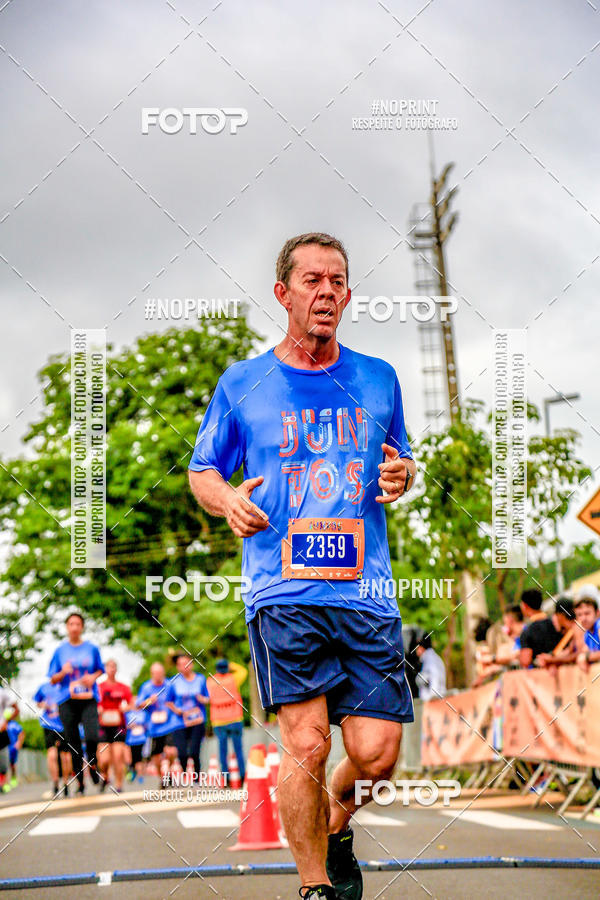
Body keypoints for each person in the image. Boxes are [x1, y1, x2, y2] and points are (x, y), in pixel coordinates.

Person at [188, 232, 417, 900]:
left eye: (337, 281)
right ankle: (315, 888)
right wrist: (228, 500)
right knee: (307, 742)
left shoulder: (379, 378)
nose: (326, 292)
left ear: (347, 294)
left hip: (367, 594)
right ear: (283, 293)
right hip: (282, 591)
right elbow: (203, 470)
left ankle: (336, 826)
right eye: (312, 280)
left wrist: (403, 474)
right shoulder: (243, 383)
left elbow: (400, 458)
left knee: (376, 754)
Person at [47, 612, 104, 795]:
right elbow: (52, 679)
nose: (74, 627)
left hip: (88, 699)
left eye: (77, 624)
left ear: (82, 627)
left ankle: (93, 763)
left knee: (92, 736)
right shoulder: (60, 651)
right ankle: (80, 782)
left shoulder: (92, 648)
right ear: (67, 627)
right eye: (71, 624)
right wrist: (63, 672)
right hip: (67, 700)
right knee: (73, 743)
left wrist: (92, 677)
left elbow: (100, 670)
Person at [136, 662, 178, 789]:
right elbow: (138, 705)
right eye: (156, 673)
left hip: (169, 724)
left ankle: (169, 770)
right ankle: (162, 778)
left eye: (161, 673)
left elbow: (177, 701)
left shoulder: (169, 685)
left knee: (171, 752)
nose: (159, 676)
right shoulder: (146, 687)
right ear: (152, 674)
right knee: (157, 757)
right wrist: (149, 701)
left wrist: (173, 708)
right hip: (154, 728)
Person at [207, 658, 247, 786]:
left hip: (219, 721)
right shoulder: (233, 678)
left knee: (222, 752)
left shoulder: (210, 681)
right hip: (235, 719)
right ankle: (242, 777)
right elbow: (243, 671)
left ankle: (226, 779)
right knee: (238, 750)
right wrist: (231, 665)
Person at [169, 653, 210, 776]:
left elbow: (208, 698)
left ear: (191, 664)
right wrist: (176, 710)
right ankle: (185, 774)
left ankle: (196, 776)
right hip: (179, 721)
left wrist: (202, 699)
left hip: (197, 720)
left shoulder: (200, 679)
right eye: (180, 664)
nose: (183, 667)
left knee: (194, 751)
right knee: (182, 753)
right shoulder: (173, 681)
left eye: (186, 664)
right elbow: (168, 701)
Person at [97, 659, 132, 793]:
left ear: (116, 669)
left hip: (118, 725)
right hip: (103, 725)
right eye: (109, 666)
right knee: (104, 759)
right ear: (105, 669)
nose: (111, 669)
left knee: (118, 756)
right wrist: (98, 709)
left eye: (114, 667)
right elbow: (93, 703)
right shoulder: (99, 687)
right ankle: (105, 776)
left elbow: (131, 703)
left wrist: (126, 708)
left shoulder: (123, 687)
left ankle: (118, 785)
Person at [34, 681, 72, 796]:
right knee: (52, 755)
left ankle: (66, 783)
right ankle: (55, 784)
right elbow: (37, 702)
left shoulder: (67, 685)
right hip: (49, 725)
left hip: (64, 724)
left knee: (65, 756)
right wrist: (42, 704)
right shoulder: (44, 687)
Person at [519, 598, 576, 668]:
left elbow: (570, 652)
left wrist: (552, 660)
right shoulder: (532, 630)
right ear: (560, 616)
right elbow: (525, 661)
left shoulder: (574, 630)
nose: (572, 622)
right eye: (570, 618)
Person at [415, 635, 446, 700]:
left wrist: (432, 696)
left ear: (421, 648)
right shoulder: (432, 657)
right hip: (439, 696)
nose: (416, 651)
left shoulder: (429, 658)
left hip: (433, 699)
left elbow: (434, 676)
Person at [0, 685, 18, 793]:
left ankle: (4, 783)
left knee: (4, 763)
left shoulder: (2, 692)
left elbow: (16, 709)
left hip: (1, 733)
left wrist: (6, 722)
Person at [125, 699, 147, 784]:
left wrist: (141, 726)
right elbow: (125, 725)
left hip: (141, 739)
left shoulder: (143, 713)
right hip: (130, 740)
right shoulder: (128, 714)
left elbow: (146, 724)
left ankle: (140, 775)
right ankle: (132, 771)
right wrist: (130, 726)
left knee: (139, 758)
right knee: (130, 758)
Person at [7, 713, 24, 789]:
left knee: (12, 764)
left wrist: (19, 743)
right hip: (3, 748)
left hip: (12, 748)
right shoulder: (2, 723)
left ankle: (13, 778)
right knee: (4, 765)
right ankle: (5, 783)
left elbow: (21, 733)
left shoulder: (13, 724)